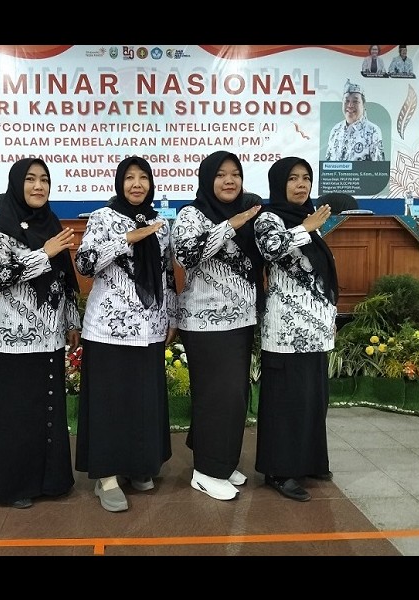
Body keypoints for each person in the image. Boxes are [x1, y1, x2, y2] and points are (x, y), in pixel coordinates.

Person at [74, 156, 178, 513]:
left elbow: (166, 274)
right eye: (130, 177)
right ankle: (106, 478)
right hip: (108, 329)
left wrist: (171, 315)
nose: (137, 184)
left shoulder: (161, 224)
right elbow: (85, 264)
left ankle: (137, 466)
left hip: (150, 327)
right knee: (110, 404)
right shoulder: (103, 218)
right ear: (120, 182)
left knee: (141, 401)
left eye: (143, 177)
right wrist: (126, 239)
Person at [0, 158, 81, 509]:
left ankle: (52, 481)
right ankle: (14, 485)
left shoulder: (50, 224)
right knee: (18, 415)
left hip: (51, 335)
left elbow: (64, 279)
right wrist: (44, 253)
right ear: (16, 184)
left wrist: (72, 322)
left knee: (48, 409)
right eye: (31, 179)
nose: (39, 186)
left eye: (44, 180)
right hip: (15, 339)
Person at [170, 151, 263, 501]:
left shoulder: (248, 214)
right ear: (208, 179)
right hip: (204, 323)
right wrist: (229, 226)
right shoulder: (191, 214)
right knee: (216, 397)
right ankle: (206, 472)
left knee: (235, 397)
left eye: (235, 174)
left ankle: (222, 461)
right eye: (221, 174)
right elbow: (186, 255)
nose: (229, 180)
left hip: (242, 319)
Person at [252, 156, 338, 502]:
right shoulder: (269, 218)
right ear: (278, 183)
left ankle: (310, 461)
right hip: (286, 330)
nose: (301, 184)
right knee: (286, 401)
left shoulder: (309, 217)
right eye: (292, 178)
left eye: (305, 178)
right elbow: (270, 249)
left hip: (315, 327)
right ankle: (279, 470)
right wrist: (306, 228)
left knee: (313, 399)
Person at [324, 79, 386, 161]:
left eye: (355, 101)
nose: (350, 105)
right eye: (346, 101)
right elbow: (327, 165)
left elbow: (379, 167)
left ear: (363, 105)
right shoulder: (335, 130)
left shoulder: (373, 131)